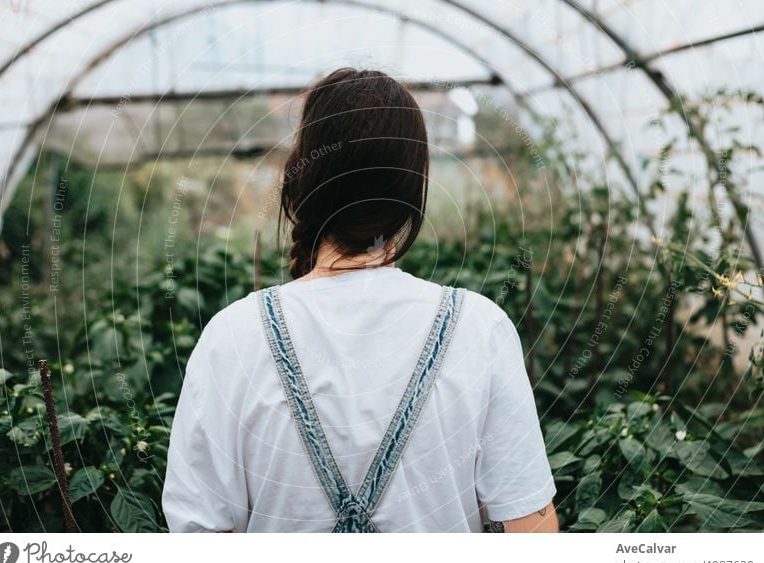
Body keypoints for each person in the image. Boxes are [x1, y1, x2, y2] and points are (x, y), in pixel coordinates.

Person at [161, 68, 558, 533]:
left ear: (301, 178)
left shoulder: (231, 339)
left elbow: (199, 540)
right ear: (414, 190)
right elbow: (531, 533)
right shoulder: (478, 330)